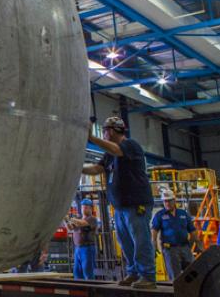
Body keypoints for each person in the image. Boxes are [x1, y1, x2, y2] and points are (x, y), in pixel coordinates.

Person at [83, 116, 156, 289]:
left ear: (116, 131)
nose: (105, 133)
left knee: (140, 241)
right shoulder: (110, 155)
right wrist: (76, 167)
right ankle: (134, 273)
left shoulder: (130, 145)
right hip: (120, 206)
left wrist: (92, 138)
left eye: (107, 130)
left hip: (136, 204)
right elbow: (96, 169)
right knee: (126, 243)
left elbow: (117, 150)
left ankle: (148, 276)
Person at [152, 189, 203, 281]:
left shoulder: (183, 214)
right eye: (165, 201)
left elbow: (192, 230)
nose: (167, 203)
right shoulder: (160, 215)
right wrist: (154, 245)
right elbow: (154, 230)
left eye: (169, 201)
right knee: (175, 278)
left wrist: (198, 243)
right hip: (170, 250)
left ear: (174, 200)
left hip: (185, 248)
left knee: (194, 273)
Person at [68, 198, 99, 280]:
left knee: (87, 272)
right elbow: (70, 228)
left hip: (87, 248)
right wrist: (65, 219)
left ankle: (90, 290)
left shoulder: (92, 219)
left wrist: (70, 218)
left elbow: (82, 223)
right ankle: (80, 291)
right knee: (77, 273)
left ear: (90, 209)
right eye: (82, 207)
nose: (83, 209)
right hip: (78, 249)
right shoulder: (79, 220)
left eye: (85, 207)